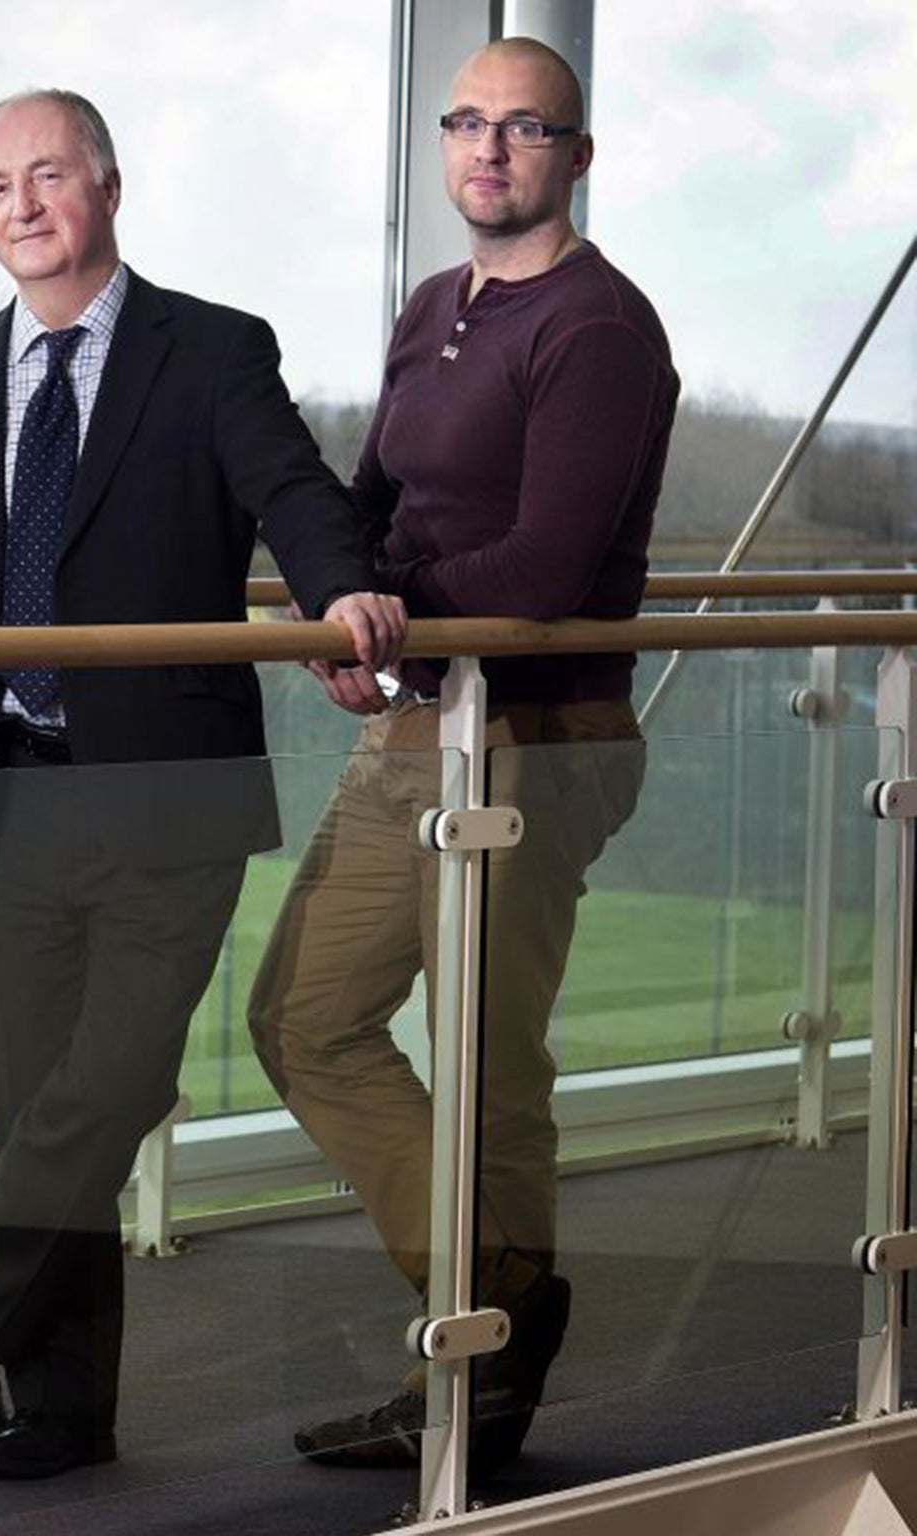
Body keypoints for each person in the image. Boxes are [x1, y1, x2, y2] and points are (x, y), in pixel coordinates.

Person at [0, 88, 407, 1480]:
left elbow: (295, 491)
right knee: (33, 1104)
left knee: (110, 1084)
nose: (22, 206)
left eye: (48, 176)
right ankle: (62, 1410)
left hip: (167, 791)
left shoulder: (211, 349)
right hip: (4, 799)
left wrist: (344, 585)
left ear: (108, 187)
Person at [248, 36, 676, 1474]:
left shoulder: (599, 330)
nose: (489, 151)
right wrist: (339, 605)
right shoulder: (436, 304)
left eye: (525, 129)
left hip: (534, 739)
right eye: (468, 124)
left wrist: (394, 628)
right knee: (303, 1019)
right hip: (425, 720)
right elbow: (374, 500)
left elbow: (548, 567)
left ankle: (484, 1345)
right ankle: (494, 1303)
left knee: (490, 1064)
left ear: (576, 154)